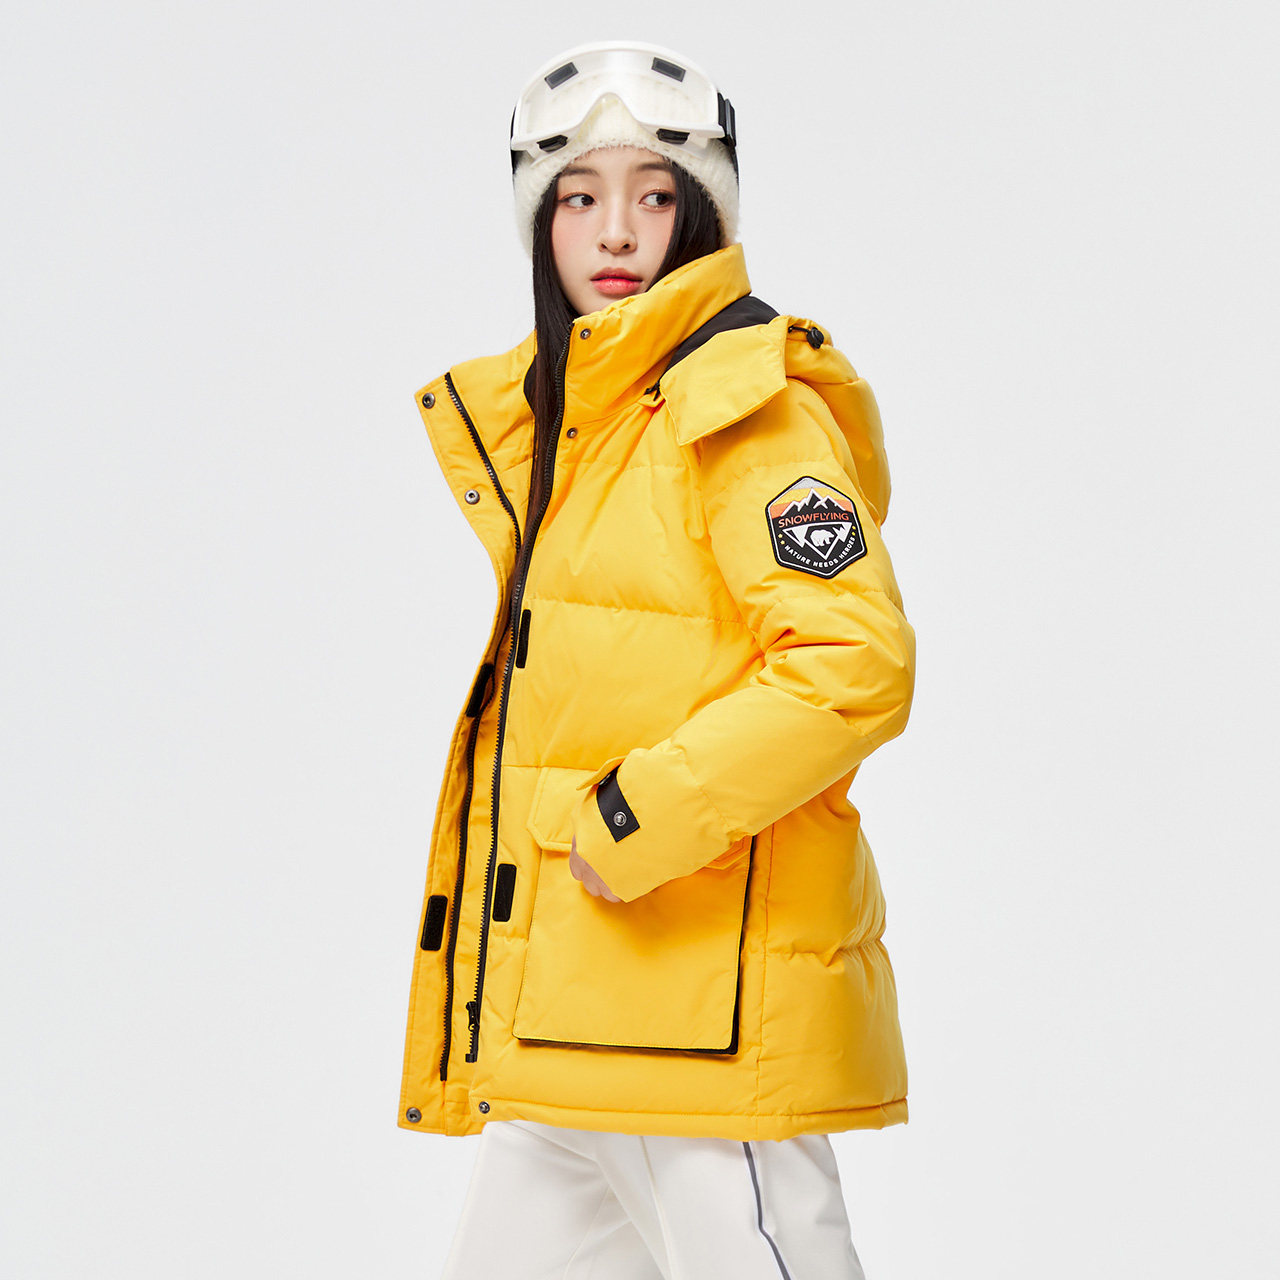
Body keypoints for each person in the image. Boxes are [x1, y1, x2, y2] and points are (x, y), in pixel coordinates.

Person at [401, 39, 917, 1278]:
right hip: (563, 1023)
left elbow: (852, 662)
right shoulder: (575, 426)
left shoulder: (742, 402)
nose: (615, 230)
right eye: (577, 198)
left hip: (700, 1027)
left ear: (700, 216)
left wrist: (634, 815)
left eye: (653, 194)